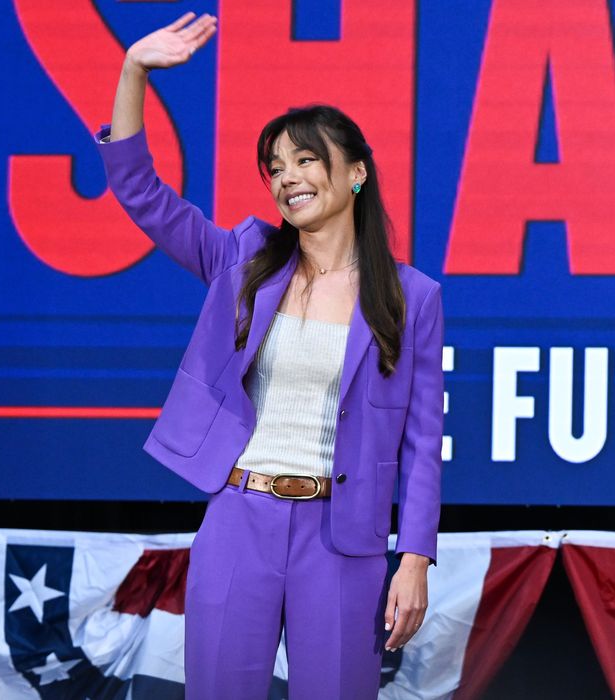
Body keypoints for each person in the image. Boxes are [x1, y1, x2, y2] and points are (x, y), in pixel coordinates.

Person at [96, 13, 443, 698]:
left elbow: (424, 442)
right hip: (238, 518)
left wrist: (416, 559)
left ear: (357, 174)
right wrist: (132, 71)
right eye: (276, 168)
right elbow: (141, 193)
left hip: (344, 539)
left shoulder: (411, 297)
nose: (287, 179)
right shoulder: (242, 260)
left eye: (306, 160)